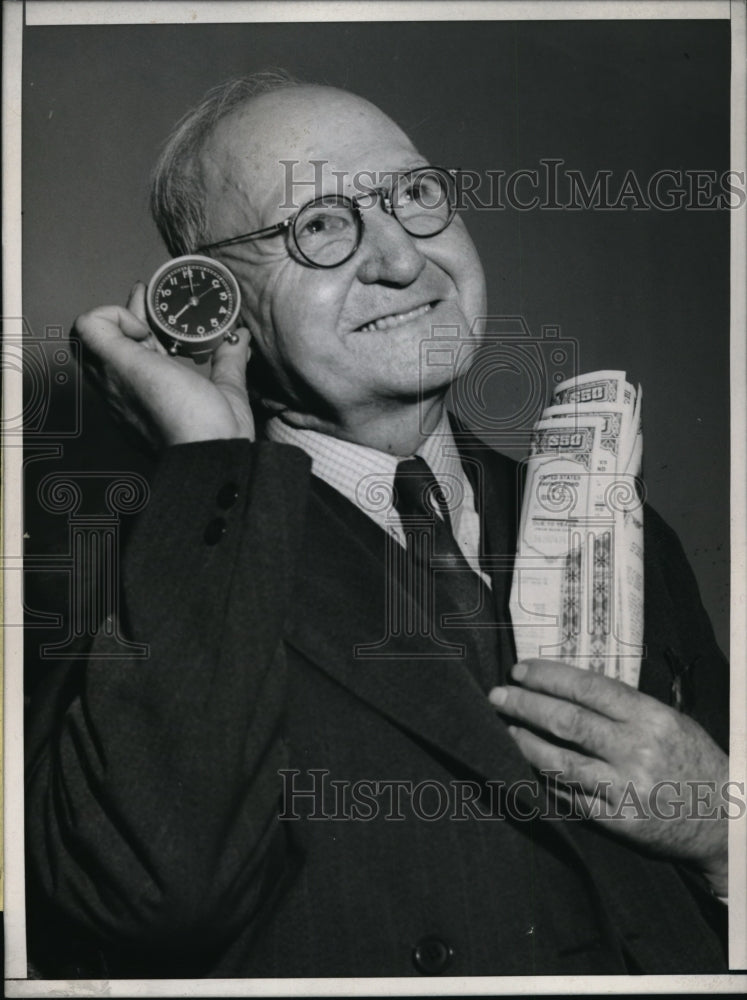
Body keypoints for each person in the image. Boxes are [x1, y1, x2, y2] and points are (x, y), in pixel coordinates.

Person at [25, 72, 731, 979]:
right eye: (318, 224)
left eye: (415, 196)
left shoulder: (627, 524)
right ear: (209, 297)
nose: (403, 259)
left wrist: (723, 828)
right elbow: (152, 900)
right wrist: (208, 465)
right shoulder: (137, 557)